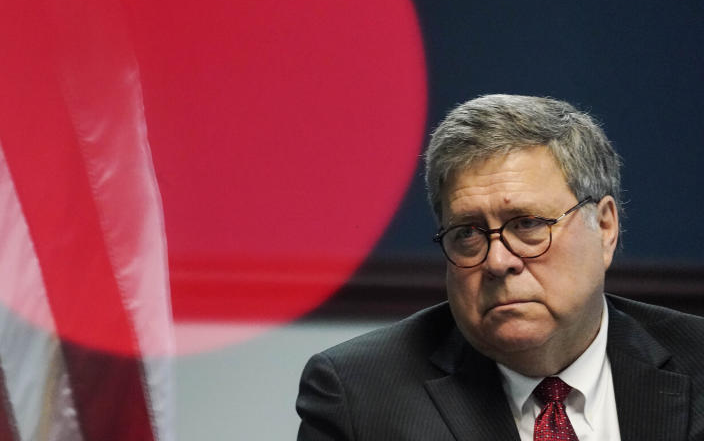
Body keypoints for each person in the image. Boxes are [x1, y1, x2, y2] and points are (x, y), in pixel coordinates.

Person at [296, 94, 704, 440]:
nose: (497, 261)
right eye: (468, 233)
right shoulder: (359, 398)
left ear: (605, 227)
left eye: (528, 224)